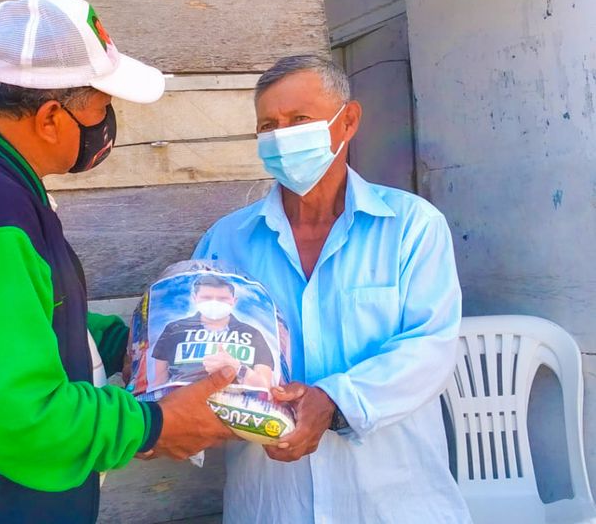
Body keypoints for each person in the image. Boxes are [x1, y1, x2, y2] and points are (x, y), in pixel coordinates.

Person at [0, 0, 235, 524]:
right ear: (52, 117)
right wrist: (153, 424)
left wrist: (137, 343)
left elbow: (31, 318)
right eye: (101, 107)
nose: (108, 123)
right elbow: (15, 418)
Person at [193, 55, 471, 523]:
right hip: (273, 503)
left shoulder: (411, 226)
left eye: (299, 119)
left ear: (348, 121)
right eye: (268, 126)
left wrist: (334, 402)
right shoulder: (227, 241)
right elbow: (200, 343)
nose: (282, 136)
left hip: (392, 501)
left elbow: (431, 347)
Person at [150, 274, 274, 389]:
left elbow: (264, 388)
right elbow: (159, 382)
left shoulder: (252, 335)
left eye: (222, 299)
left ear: (233, 301)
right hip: (184, 402)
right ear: (195, 298)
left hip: (236, 404)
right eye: (207, 298)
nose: (214, 303)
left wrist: (237, 368)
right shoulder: (175, 330)